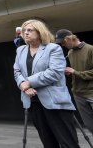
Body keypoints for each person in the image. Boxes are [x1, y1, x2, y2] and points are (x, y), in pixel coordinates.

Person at [13, 19, 79, 147]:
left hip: (55, 102)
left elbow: (54, 72)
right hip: (33, 102)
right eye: (24, 30)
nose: (25, 33)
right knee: (48, 143)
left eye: (30, 30)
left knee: (68, 143)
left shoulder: (53, 48)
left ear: (40, 32)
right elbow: (17, 71)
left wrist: (29, 82)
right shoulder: (20, 50)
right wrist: (23, 86)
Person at [56, 29, 93, 135]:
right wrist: (71, 73)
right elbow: (76, 71)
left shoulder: (90, 49)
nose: (62, 45)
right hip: (78, 94)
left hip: (91, 92)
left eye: (63, 42)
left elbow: (78, 72)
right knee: (89, 125)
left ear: (69, 39)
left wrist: (75, 72)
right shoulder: (70, 53)